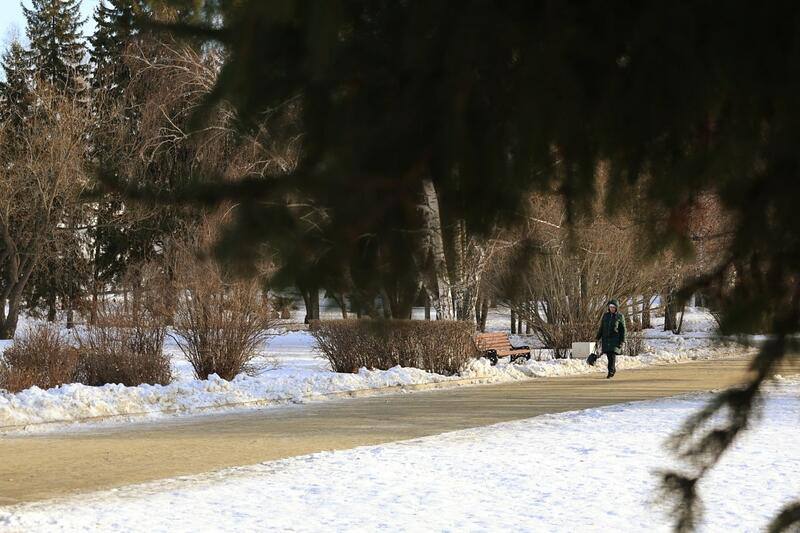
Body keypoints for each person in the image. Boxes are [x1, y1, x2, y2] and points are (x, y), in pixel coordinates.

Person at [588, 299, 626, 378]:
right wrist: (597, 337)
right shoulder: (606, 316)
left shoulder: (620, 316)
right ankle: (612, 369)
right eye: (610, 307)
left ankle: (610, 372)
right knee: (609, 356)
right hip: (606, 339)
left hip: (615, 339)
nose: (612, 308)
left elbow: (623, 329)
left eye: (613, 307)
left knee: (612, 355)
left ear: (616, 308)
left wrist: (622, 340)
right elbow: (601, 328)